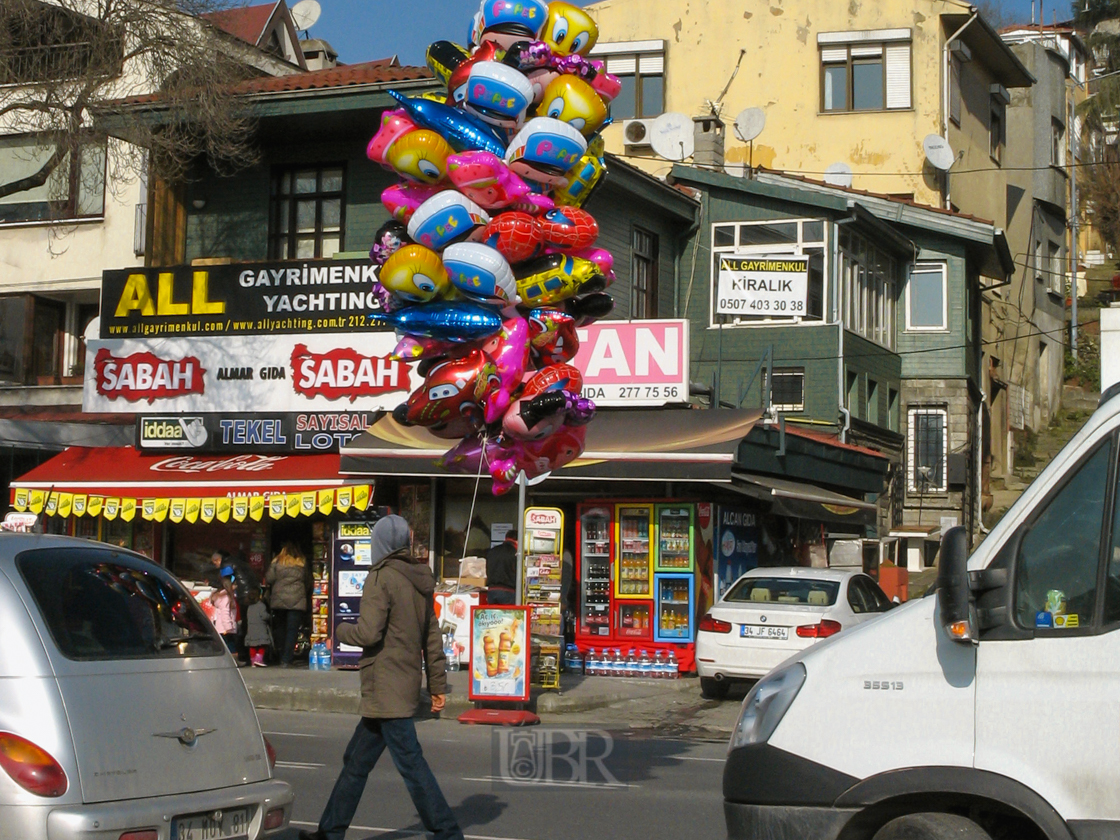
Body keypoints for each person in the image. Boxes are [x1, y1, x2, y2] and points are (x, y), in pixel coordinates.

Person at [299, 515, 463, 840]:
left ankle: (447, 832)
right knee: (356, 761)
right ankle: (329, 832)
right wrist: (438, 686)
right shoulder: (419, 579)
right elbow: (432, 639)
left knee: (412, 766)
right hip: (396, 689)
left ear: (380, 545)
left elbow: (368, 632)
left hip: (385, 689)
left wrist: (339, 630)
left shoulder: (381, 577)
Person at [265, 542, 310, 667]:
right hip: (297, 600)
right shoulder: (302, 562)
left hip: (279, 601)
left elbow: (269, 579)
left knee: (280, 629)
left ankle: (280, 656)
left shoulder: (277, 562)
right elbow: (308, 580)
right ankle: (287, 659)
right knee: (292, 630)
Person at [209, 566, 239, 654]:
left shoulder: (222, 596)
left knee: (227, 646)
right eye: (235, 585)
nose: (237, 587)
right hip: (226, 628)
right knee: (230, 647)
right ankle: (234, 661)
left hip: (222, 628)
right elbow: (225, 613)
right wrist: (228, 627)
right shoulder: (226, 597)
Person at [485, 529, 518, 605]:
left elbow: (487, 570)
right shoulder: (515, 553)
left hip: (491, 591)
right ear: (517, 540)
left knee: (493, 616)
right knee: (507, 616)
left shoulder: (492, 551)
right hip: (508, 591)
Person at [244, 586, 272, 667]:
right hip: (260, 629)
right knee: (262, 645)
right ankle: (259, 659)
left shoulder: (249, 606)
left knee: (252, 646)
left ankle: (253, 660)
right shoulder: (261, 605)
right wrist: (269, 616)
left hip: (251, 629)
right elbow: (264, 616)